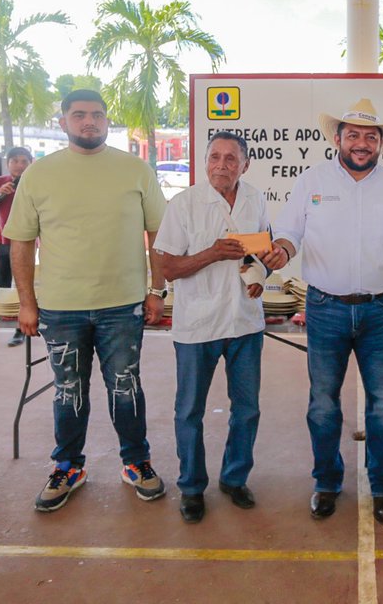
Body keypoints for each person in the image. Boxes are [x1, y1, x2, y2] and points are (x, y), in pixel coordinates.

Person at [266, 98, 383, 526]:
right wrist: (283, 250)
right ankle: (326, 483)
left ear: (381, 143)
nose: (362, 143)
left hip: (380, 309)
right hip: (325, 307)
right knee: (323, 405)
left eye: (370, 136)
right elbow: (291, 231)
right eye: (354, 135)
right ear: (338, 139)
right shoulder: (311, 180)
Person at [4, 89, 169, 513]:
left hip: (124, 304)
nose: (89, 122)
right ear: (62, 122)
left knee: (125, 386)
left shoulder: (135, 170)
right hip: (61, 308)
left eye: (96, 115)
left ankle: (136, 461)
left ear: (107, 121)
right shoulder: (39, 174)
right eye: (79, 115)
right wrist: (27, 303)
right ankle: (68, 466)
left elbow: (159, 237)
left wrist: (156, 291)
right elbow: (20, 242)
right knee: (68, 391)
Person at [155, 131, 283, 524]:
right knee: (189, 411)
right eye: (215, 157)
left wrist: (261, 271)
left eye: (231, 158)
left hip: (244, 321)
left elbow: (260, 250)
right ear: (205, 160)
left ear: (246, 164)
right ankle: (192, 487)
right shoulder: (185, 204)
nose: (222, 165)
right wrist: (211, 254)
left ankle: (234, 478)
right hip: (198, 326)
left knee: (246, 410)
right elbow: (166, 267)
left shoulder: (255, 198)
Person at [0, 146, 33, 347]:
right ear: (8, 163)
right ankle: (4, 319)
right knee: (2, 284)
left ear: (30, 164)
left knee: (23, 286)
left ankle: (22, 330)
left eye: (24, 161)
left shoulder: (34, 183)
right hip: (3, 241)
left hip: (27, 242)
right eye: (15, 161)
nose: (19, 165)